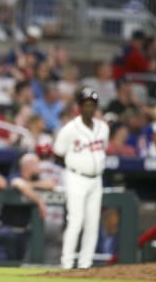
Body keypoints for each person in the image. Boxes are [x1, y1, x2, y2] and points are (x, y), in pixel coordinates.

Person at [53, 87, 109, 269]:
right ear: (79, 106)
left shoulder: (103, 128)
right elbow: (58, 154)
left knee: (92, 223)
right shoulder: (70, 129)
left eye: (92, 105)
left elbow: (103, 150)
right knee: (75, 221)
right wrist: (73, 165)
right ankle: (67, 264)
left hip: (96, 179)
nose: (89, 108)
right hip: (76, 177)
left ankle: (85, 264)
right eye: (85, 104)